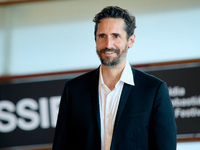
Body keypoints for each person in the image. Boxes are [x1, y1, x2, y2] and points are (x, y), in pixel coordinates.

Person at [52, 6, 177, 150]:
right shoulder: (73, 90)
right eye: (102, 36)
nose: (108, 45)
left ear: (131, 40)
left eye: (115, 36)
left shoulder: (153, 90)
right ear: (95, 40)